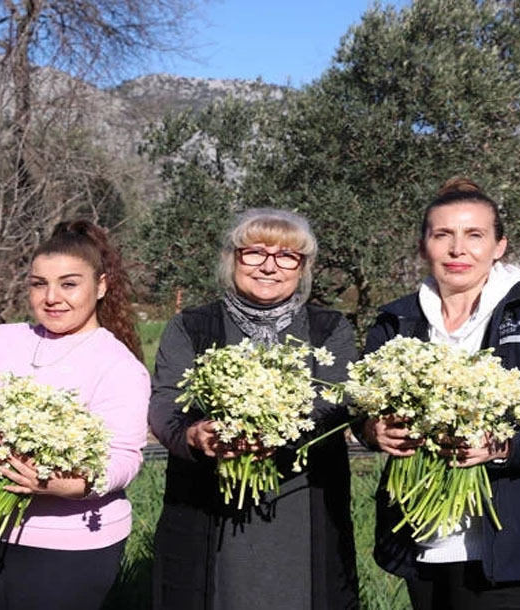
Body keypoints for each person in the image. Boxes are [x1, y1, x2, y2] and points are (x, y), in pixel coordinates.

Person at [360, 178, 520, 610]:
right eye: (442, 234)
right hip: (420, 535)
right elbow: (364, 406)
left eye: (474, 235)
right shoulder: (395, 322)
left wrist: (501, 445)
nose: (457, 249)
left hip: (507, 543)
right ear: (424, 245)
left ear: (499, 246)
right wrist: (374, 431)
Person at [149, 208, 361, 610]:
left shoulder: (330, 328)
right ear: (233, 258)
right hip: (209, 506)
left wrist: (273, 431)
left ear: (303, 267)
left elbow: (335, 402)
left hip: (301, 502)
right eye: (255, 253)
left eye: (286, 256)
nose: (269, 266)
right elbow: (165, 400)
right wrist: (195, 435)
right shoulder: (192, 326)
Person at [0, 219, 150, 610]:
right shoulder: (4, 340)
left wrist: (62, 484)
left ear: (101, 286)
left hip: (71, 546)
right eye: (38, 284)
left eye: (69, 284)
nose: (51, 297)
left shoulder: (118, 364)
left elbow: (124, 457)